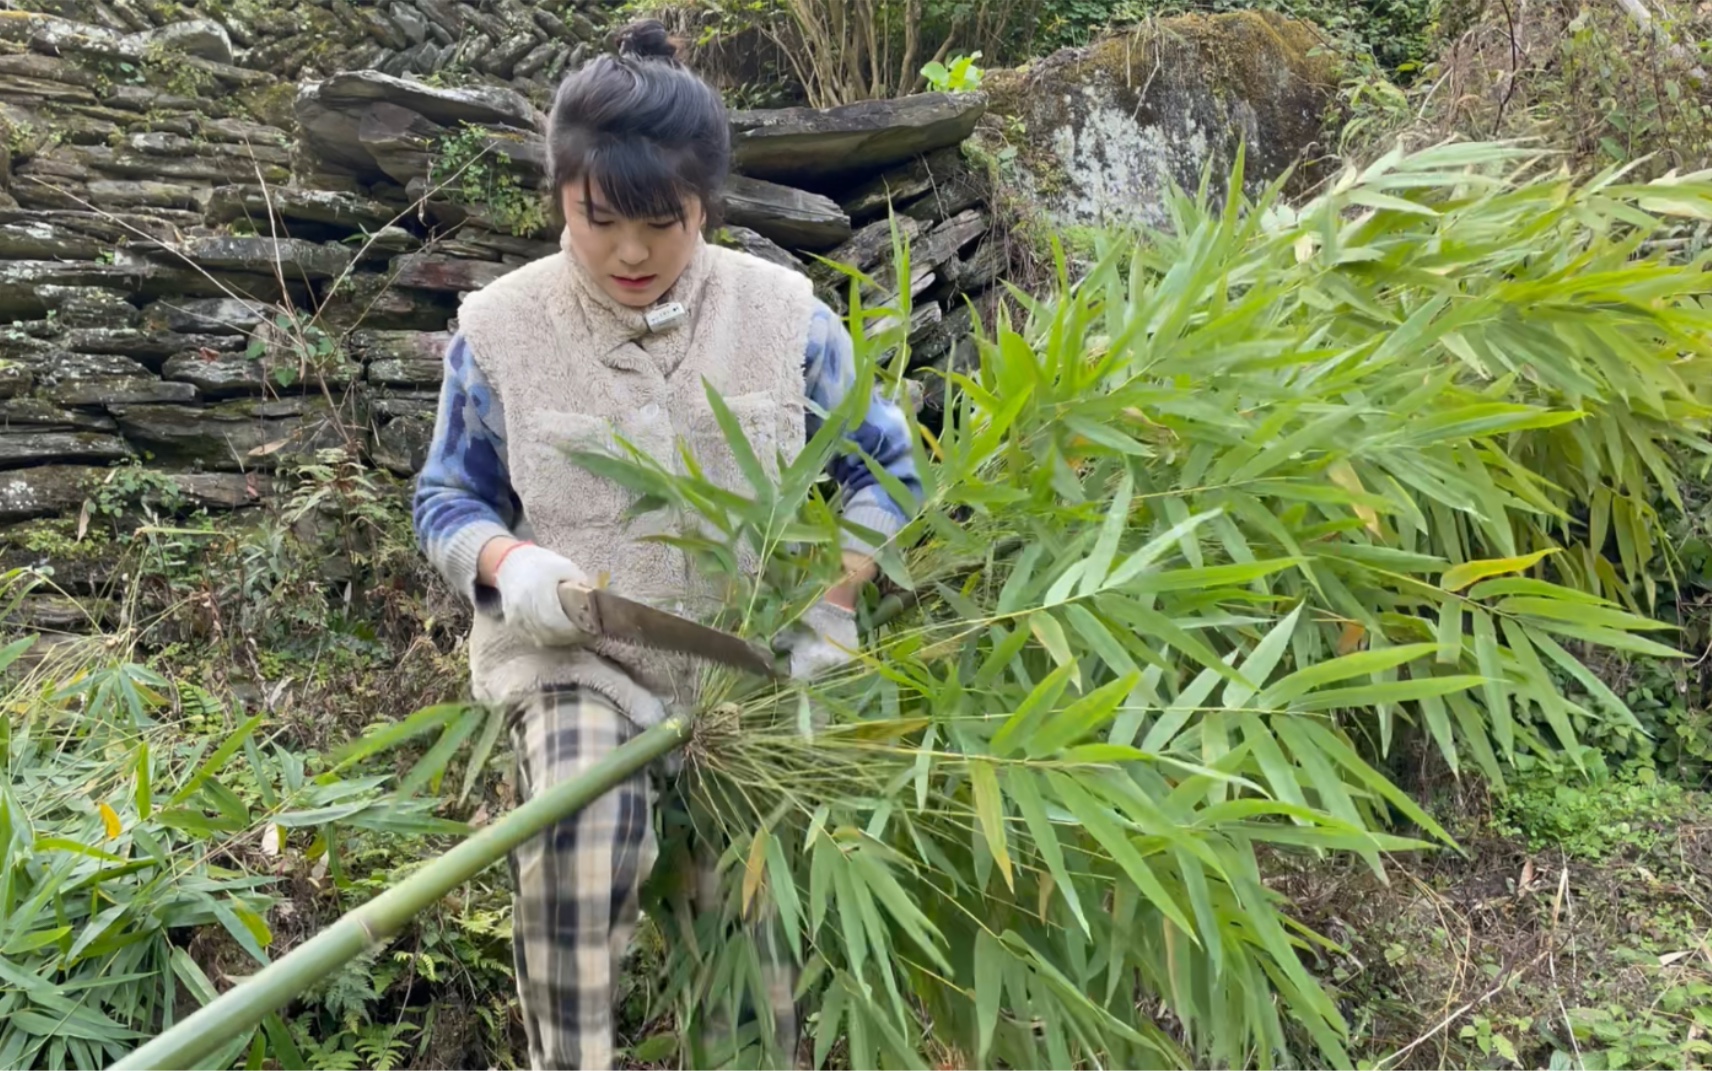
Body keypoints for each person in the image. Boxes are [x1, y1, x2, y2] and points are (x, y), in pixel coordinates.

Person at [411, 19, 921, 1070]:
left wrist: (832, 600)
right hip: (579, 661)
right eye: (600, 221)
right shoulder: (498, 329)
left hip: (747, 677)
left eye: (663, 221)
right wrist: (512, 567)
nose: (630, 253)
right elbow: (447, 498)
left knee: (751, 941)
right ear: (560, 195)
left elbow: (884, 474)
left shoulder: (788, 320)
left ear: (706, 205)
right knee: (579, 832)